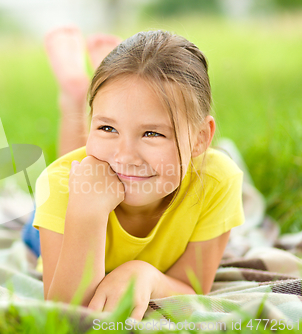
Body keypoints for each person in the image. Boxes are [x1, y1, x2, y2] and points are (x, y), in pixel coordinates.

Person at [22, 26, 244, 321]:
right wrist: (86, 212)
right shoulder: (58, 184)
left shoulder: (217, 181)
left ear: (201, 137)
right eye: (106, 127)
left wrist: (145, 275)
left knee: (111, 139)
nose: (126, 156)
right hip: (63, 220)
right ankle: (76, 95)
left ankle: (111, 92)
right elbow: (65, 313)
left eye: (152, 133)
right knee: (78, 167)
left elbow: (192, 286)